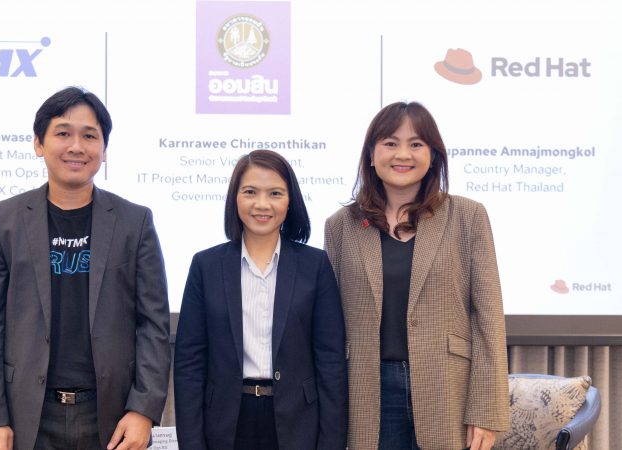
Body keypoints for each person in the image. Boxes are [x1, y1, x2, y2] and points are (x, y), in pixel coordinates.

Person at [0, 86, 171, 450]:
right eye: (63, 133)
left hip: (110, 416)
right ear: (38, 144)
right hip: (27, 414)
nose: (77, 146)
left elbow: (153, 325)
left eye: (90, 136)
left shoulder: (135, 222)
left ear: (104, 150)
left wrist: (143, 410)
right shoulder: (2, 221)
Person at [324, 102, 509, 450]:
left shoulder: (467, 217)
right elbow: (329, 326)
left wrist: (486, 410)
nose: (402, 154)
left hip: (447, 389)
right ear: (371, 155)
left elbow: (488, 319)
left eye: (416, 144)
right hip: (367, 393)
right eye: (390, 143)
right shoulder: (341, 226)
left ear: (433, 156)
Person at [174, 150, 348, 449]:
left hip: (298, 422)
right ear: (235, 198)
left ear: (290, 201)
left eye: (275, 193)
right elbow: (189, 363)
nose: (262, 204)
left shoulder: (315, 265)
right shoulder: (206, 266)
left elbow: (330, 362)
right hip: (226, 422)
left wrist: (331, 442)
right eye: (250, 192)